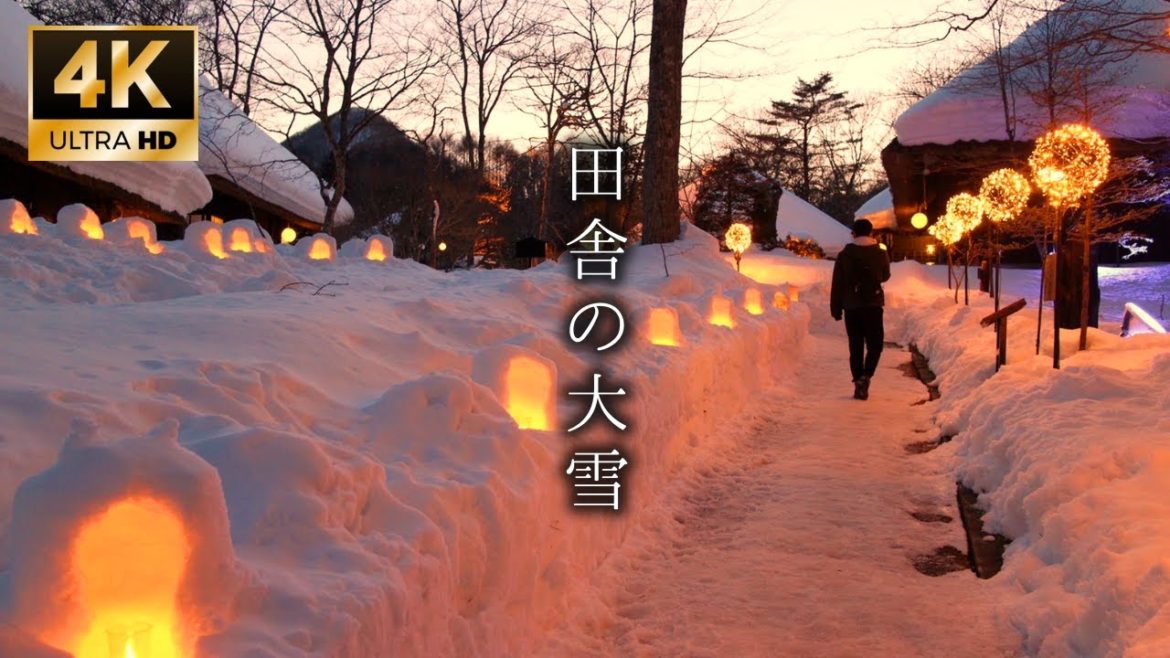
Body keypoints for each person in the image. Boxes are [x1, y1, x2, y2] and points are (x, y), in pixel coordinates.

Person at [830, 219, 891, 400]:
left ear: (853, 233)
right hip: (873, 305)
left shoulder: (845, 254)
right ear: (871, 232)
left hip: (852, 306)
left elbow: (838, 283)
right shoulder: (880, 253)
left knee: (855, 345)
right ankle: (866, 376)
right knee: (875, 345)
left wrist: (836, 308)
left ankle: (858, 380)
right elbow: (885, 275)